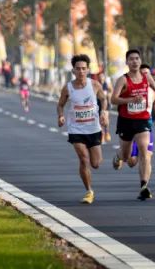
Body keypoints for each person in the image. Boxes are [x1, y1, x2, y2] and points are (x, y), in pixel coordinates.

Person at [57, 54, 108, 204]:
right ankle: (89, 191)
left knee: (96, 163)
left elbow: (103, 99)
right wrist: (61, 116)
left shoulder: (95, 85)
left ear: (88, 70)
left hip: (93, 128)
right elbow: (60, 104)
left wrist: (103, 112)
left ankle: (89, 184)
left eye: (83, 68)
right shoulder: (68, 88)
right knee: (84, 159)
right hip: (76, 129)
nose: (81, 71)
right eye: (78, 69)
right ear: (73, 70)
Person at [111, 49, 155, 200]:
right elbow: (113, 99)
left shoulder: (146, 77)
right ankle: (119, 155)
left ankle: (144, 186)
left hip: (142, 119)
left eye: (137, 58)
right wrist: (130, 100)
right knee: (128, 158)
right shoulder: (123, 80)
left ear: (140, 61)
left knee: (144, 150)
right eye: (131, 59)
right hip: (126, 120)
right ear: (127, 62)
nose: (135, 61)